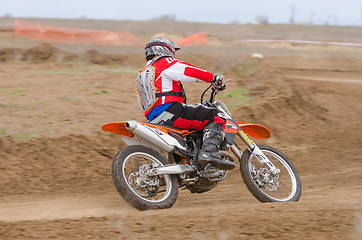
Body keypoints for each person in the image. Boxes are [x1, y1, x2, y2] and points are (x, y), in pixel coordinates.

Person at [136, 38, 235, 170]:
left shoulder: (142, 74)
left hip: (154, 118)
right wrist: (212, 78)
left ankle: (190, 161)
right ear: (164, 50)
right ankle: (209, 153)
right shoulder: (163, 62)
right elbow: (187, 71)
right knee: (216, 115)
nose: (173, 54)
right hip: (171, 111)